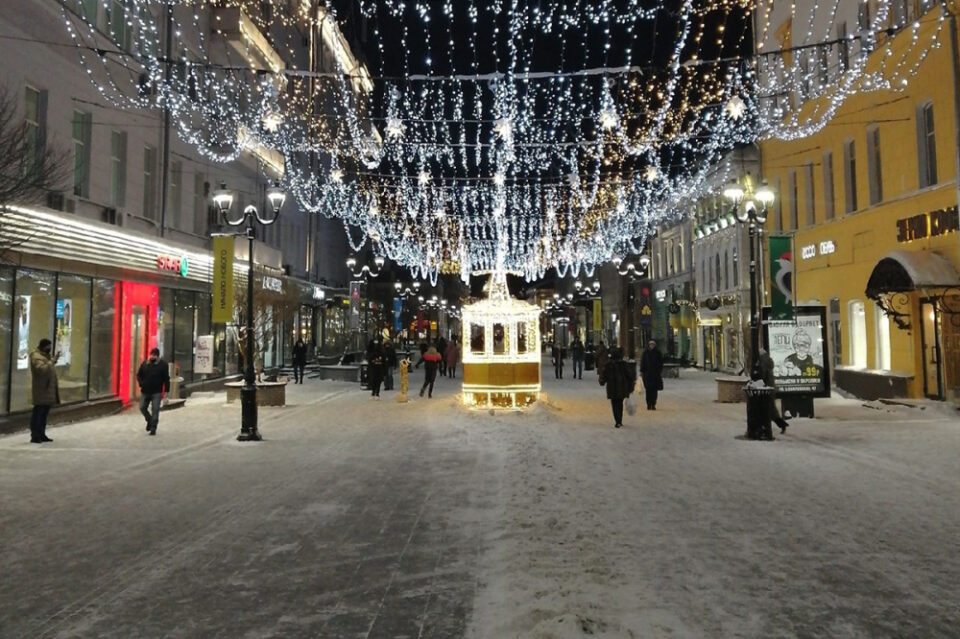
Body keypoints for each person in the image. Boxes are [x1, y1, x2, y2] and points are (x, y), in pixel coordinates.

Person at [29, 338, 60, 443]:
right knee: (38, 413)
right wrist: (52, 361)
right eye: (48, 347)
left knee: (44, 414)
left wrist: (52, 361)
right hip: (41, 389)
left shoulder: (45, 356)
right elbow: (41, 370)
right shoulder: (36, 357)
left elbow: (48, 368)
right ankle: (35, 435)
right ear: (43, 346)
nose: (50, 349)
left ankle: (42, 434)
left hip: (46, 390)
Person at [599, 347, 635, 428]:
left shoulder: (608, 365)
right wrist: (631, 385)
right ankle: (619, 420)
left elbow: (604, 376)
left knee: (614, 404)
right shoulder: (623, 364)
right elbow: (629, 375)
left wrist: (602, 381)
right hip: (622, 387)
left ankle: (617, 420)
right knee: (620, 403)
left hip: (612, 388)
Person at [137, 347, 170, 435]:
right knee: (142, 407)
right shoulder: (145, 364)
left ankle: (153, 428)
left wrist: (166, 391)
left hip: (157, 391)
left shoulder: (163, 365)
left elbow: (166, 379)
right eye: (151, 355)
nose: (152, 357)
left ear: (158, 357)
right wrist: (141, 383)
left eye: (154, 356)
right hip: (145, 390)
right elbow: (139, 375)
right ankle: (149, 420)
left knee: (155, 409)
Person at [758, 348, 790, 433]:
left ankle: (779, 424)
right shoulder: (768, 360)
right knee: (770, 408)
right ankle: (780, 424)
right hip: (770, 388)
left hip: (766, 388)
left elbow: (762, 374)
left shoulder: (762, 361)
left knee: (769, 409)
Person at [639, 339, 664, 410]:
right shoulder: (645, 353)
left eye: (653, 344)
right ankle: (648, 404)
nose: (652, 346)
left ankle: (653, 404)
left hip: (655, 375)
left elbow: (660, 363)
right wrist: (642, 371)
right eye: (650, 344)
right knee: (648, 390)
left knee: (654, 391)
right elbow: (643, 363)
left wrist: (659, 371)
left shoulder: (658, 353)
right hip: (647, 375)